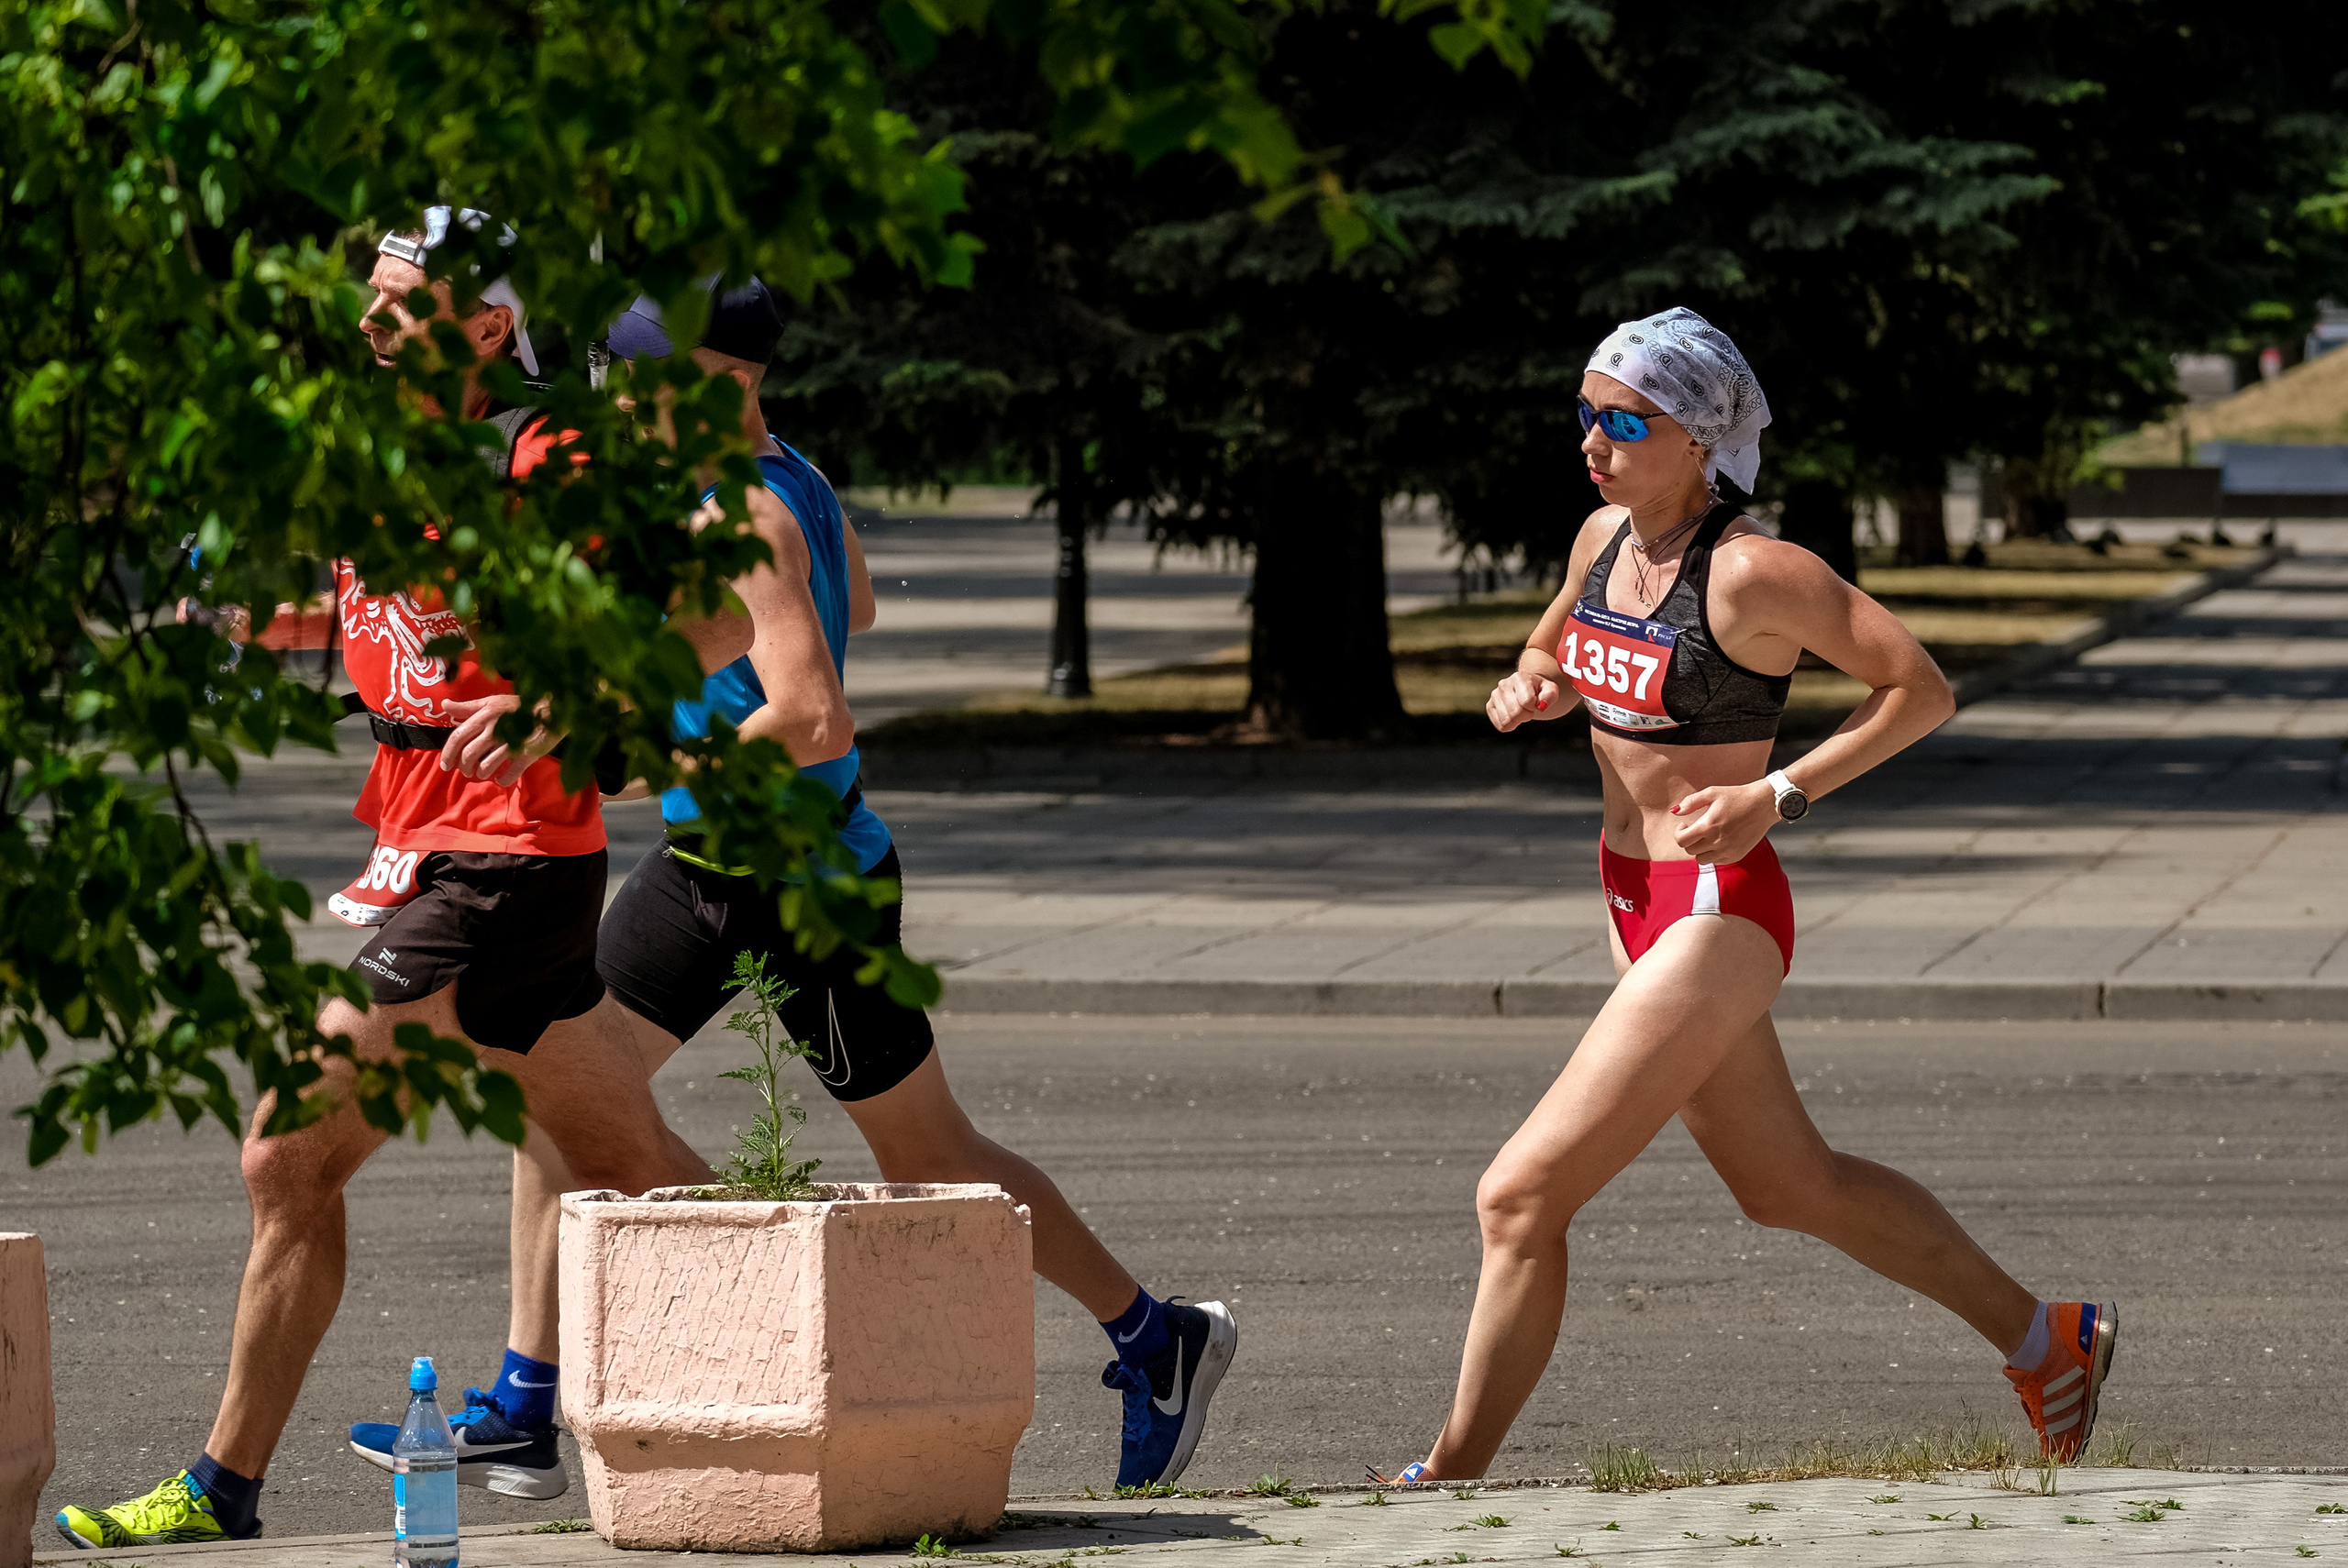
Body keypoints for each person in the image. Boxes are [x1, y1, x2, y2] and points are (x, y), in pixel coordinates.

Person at [344, 278, 1238, 1498]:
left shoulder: (746, 504)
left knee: (930, 1154)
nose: (612, 400)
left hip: (809, 884)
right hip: (704, 871)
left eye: (631, 377)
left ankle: (1153, 1335)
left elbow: (815, 715)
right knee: (563, 1091)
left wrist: (661, 753)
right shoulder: (784, 475)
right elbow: (852, 600)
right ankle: (523, 1406)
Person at [52, 212, 722, 1551]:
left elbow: (710, 613)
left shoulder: (546, 450)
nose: (366, 320)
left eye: (397, 301)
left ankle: (221, 1488)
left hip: (500, 862)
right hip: (456, 850)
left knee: (288, 1147)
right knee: (633, 1166)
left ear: (485, 324)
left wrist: (563, 701)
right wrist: (257, 621)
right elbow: (396, 618)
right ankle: (837, 1351)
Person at [1375, 308, 2115, 1485]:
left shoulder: (1756, 571)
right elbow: (1553, 648)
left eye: (1625, 422)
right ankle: (2046, 1337)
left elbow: (1919, 690)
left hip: (1718, 908)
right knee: (1790, 1188)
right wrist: (1531, 686)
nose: (1592, 441)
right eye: (1585, 414)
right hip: (1628, 894)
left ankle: (1446, 1479)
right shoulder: (1602, 539)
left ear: (1698, 437)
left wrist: (1778, 793)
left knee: (1518, 1194)